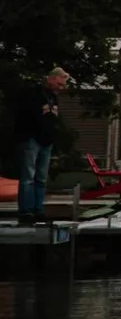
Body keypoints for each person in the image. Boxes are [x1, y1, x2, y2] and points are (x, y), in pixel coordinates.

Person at [9, 68, 68, 225]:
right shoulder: (33, 94)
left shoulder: (53, 98)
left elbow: (53, 119)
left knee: (41, 177)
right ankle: (26, 209)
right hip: (32, 139)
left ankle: (38, 208)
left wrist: (53, 135)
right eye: (60, 84)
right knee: (28, 176)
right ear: (52, 79)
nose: (61, 88)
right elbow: (25, 116)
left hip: (46, 141)